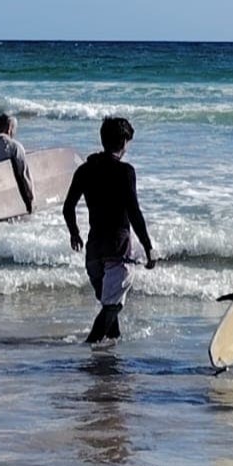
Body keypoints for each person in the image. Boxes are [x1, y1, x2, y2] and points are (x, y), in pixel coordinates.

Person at [63, 117, 156, 345]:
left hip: (94, 253)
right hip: (117, 250)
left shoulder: (85, 170)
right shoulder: (125, 172)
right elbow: (134, 212)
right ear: (124, 141)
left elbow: (68, 207)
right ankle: (90, 350)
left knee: (109, 307)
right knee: (112, 306)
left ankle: (111, 346)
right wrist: (148, 247)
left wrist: (74, 233)